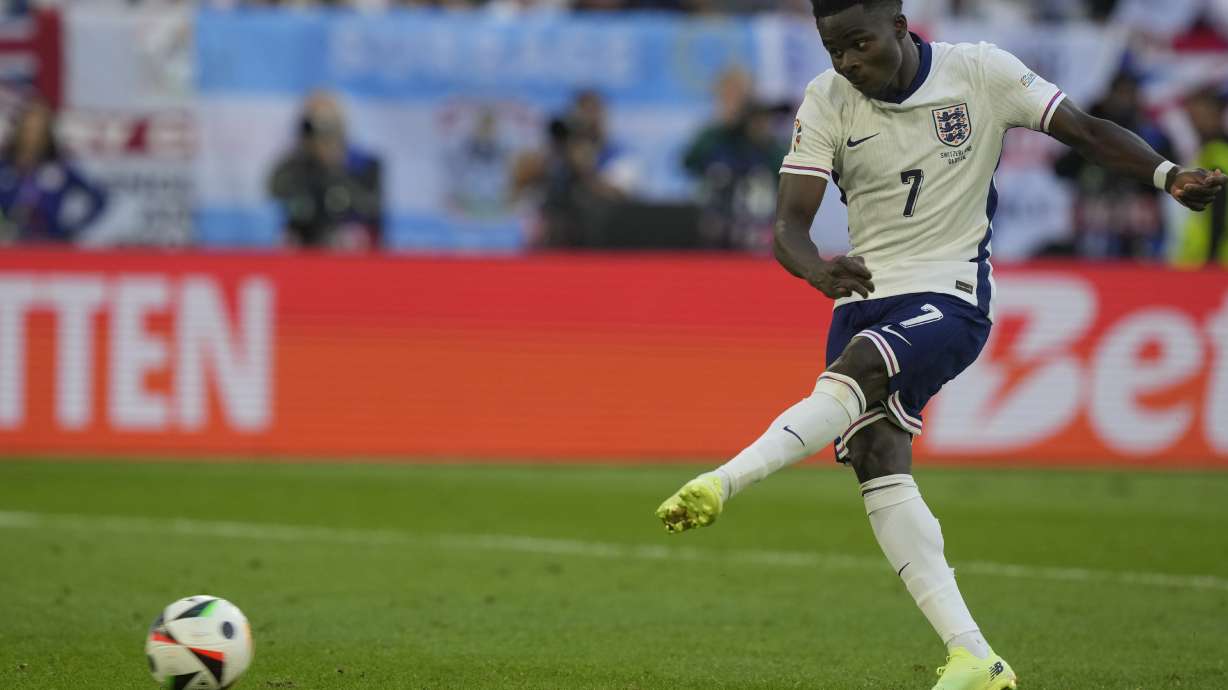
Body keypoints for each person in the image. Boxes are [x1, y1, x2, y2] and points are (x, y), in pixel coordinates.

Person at [653, 2, 1227, 690]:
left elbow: (1084, 130)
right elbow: (789, 225)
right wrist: (814, 268)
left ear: (899, 25)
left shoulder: (980, 72)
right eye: (833, 50)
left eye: (858, 44)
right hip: (862, 293)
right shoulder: (827, 98)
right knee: (876, 457)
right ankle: (974, 656)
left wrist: (1167, 175)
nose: (846, 63)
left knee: (862, 368)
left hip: (950, 296)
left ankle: (723, 480)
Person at [1051, 70, 1175, 259]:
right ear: (1108, 97)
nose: (1124, 102)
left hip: (1140, 234)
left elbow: (1170, 178)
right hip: (1095, 231)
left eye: (1129, 94)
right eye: (1120, 94)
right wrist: (1088, 128)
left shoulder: (1154, 137)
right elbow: (1061, 169)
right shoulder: (1091, 136)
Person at [267, 91, 382, 250]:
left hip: (346, 238)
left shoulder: (365, 164)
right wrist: (304, 158)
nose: (321, 133)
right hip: (303, 236)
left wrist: (335, 166)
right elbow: (274, 189)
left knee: (351, 237)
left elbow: (370, 206)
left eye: (327, 123)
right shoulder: (296, 162)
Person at [0, 100, 107, 244]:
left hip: (50, 243)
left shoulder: (59, 167)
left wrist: (71, 228)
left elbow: (98, 198)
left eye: (39, 130)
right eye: (29, 129)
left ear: (47, 133)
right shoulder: (5, 167)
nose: (32, 136)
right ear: (19, 130)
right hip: (10, 244)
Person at [1172, 86, 1228, 266]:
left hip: (1210, 261)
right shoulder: (1204, 150)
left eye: (1200, 112)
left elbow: (1218, 210)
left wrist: (1210, 260)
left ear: (1216, 113)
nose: (1194, 119)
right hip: (1197, 259)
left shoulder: (1217, 153)